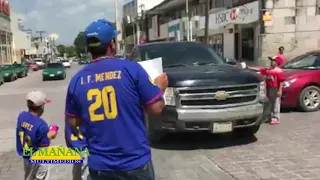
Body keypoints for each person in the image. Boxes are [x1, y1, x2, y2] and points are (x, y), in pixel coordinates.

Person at [65, 19, 168, 180]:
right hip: (134, 162)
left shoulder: (77, 80)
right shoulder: (131, 69)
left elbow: (72, 122)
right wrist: (159, 88)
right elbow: (156, 108)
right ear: (111, 45)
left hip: (99, 165)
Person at [16, 90, 57, 180]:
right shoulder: (42, 125)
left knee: (28, 176)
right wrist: (51, 133)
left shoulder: (21, 116)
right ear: (42, 106)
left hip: (26, 155)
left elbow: (29, 128)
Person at [258, 56, 284, 125]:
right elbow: (259, 70)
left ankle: (276, 118)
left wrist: (280, 90)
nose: (271, 62)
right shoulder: (268, 70)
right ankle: (270, 117)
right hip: (269, 88)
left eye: (273, 60)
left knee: (276, 103)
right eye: (271, 60)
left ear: (277, 62)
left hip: (275, 88)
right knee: (270, 103)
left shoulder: (278, 71)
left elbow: (281, 81)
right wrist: (247, 67)